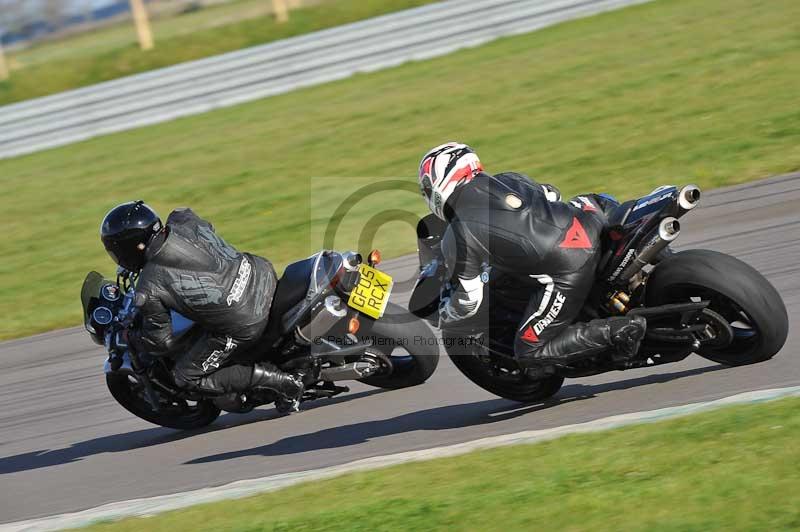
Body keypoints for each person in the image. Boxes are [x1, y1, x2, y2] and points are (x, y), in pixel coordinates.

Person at [417, 142, 646, 373]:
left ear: (439, 183)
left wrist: (447, 314)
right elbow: (552, 194)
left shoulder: (458, 233)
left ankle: (620, 331)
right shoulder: (509, 179)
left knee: (529, 351)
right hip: (588, 223)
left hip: (567, 267)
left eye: (426, 188)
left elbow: (470, 301)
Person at [100, 201, 312, 413]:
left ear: (130, 247)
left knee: (186, 376)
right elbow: (200, 224)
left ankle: (285, 384)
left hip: (244, 318)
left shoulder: (150, 287)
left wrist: (133, 336)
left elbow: (161, 342)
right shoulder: (182, 220)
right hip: (261, 275)